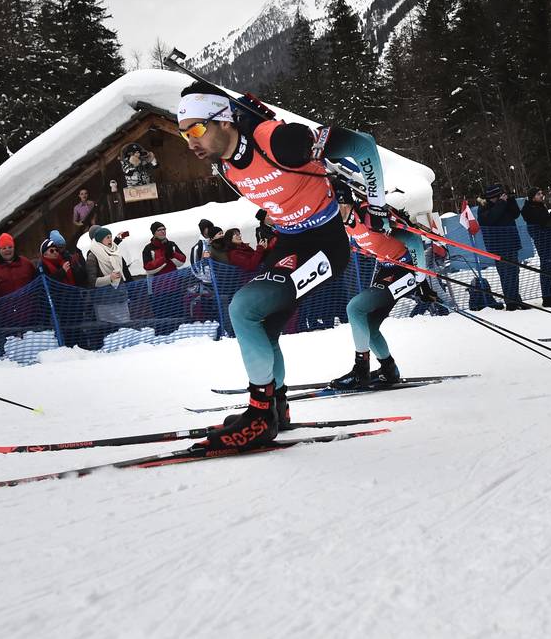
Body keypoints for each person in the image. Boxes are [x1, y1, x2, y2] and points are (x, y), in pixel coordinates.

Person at [176, 83, 389, 448]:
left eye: (196, 129)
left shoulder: (276, 141)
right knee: (261, 326)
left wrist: (378, 206)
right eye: (183, 134)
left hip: (324, 245)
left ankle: (260, 416)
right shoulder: (225, 167)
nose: (190, 141)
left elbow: (362, 145)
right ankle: (275, 408)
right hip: (290, 243)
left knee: (243, 309)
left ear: (224, 121)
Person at [329, 198, 434, 389]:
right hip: (387, 269)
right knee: (368, 325)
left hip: (405, 269)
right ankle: (389, 369)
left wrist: (420, 280)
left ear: (345, 203)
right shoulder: (345, 224)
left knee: (355, 308)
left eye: (334, 205)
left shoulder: (367, 216)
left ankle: (361, 371)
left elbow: (413, 240)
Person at [476, 183, 525, 310]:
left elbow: (515, 214)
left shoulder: (504, 202)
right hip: (498, 246)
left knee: (515, 271)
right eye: (494, 197)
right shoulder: (483, 207)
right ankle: (510, 302)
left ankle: (516, 298)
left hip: (512, 242)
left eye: (498, 196)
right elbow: (491, 219)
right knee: (505, 273)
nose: (496, 199)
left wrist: (511, 199)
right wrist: (501, 203)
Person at [141, 221, 190, 335]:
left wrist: (172, 255)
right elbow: (148, 268)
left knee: (177, 314)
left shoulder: (171, 245)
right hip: (158, 291)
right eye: (159, 230)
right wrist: (164, 258)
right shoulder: (148, 249)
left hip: (175, 288)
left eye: (164, 229)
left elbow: (182, 260)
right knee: (162, 317)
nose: (163, 231)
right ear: (154, 233)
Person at [521, 187, 551, 307]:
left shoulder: (539, 206)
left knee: (550, 268)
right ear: (532, 196)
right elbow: (546, 221)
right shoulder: (529, 208)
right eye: (538, 194)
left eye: (541, 193)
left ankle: (550, 297)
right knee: (547, 268)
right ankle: (548, 298)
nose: (541, 195)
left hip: (548, 240)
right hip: (543, 241)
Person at [85, 226, 134, 328]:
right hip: (105, 301)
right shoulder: (92, 255)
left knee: (125, 327)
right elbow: (92, 281)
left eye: (110, 237)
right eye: (107, 237)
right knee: (110, 330)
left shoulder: (113, 250)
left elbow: (123, 269)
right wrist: (109, 278)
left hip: (120, 296)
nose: (110, 240)